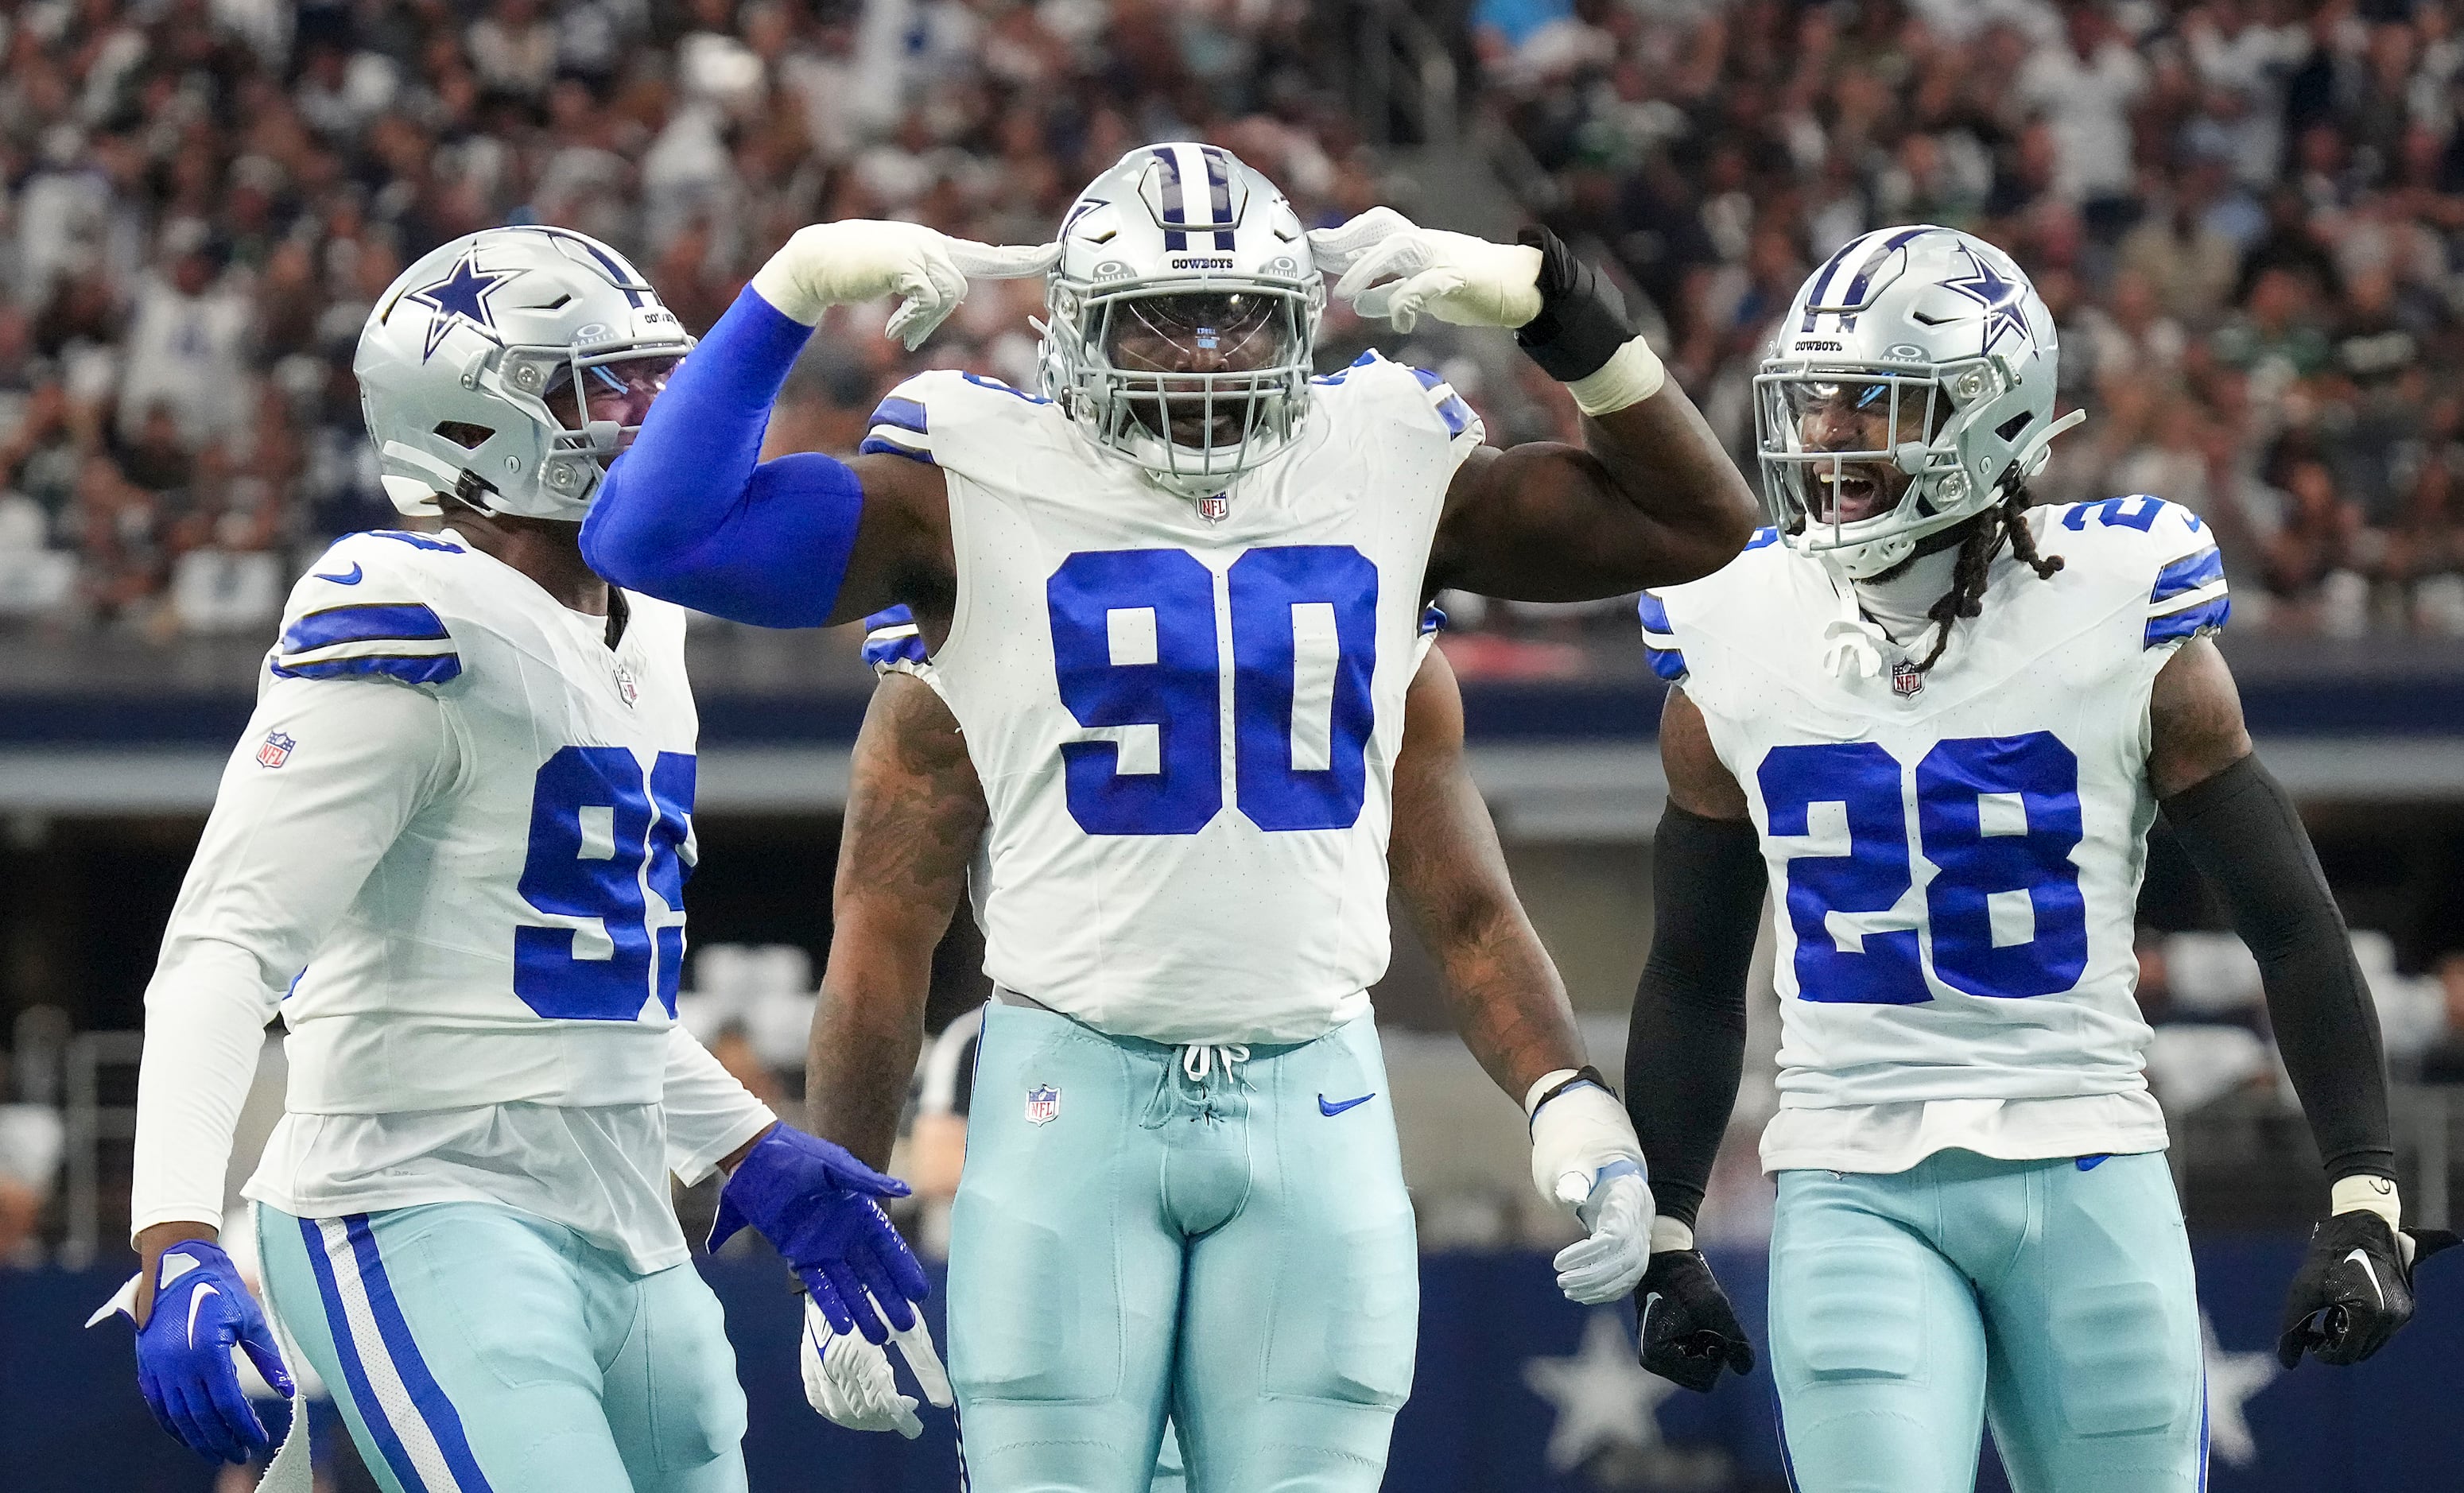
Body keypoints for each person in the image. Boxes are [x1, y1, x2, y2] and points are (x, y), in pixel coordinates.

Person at [580, 142, 1760, 1490]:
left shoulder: (1383, 463)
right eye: (1158, 315)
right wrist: (790, 290)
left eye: (1237, 314)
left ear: (1297, 321)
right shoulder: (966, 485)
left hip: (1312, 1083)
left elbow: (1700, 519)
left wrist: (1549, 300)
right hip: (1066, 1092)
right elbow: (650, 537)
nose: (1200, 352)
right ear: (1072, 327)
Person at [95, 226, 936, 1492]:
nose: (659, 413)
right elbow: (224, 946)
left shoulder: (649, 620)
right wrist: (172, 1230)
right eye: (609, 385)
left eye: (661, 376)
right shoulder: (405, 607)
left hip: (618, 1212)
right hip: (412, 1195)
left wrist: (747, 1144)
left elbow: (578, 986)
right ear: (472, 428)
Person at [1618, 224, 2456, 1491]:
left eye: (1870, 404)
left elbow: (2291, 923)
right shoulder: (1730, 626)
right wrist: (1668, 1223)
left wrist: (2362, 1189)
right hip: (1852, 1178)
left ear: (1984, 414)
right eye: (1816, 404)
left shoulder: (2116, 601)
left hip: (2083, 1161)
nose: (1828, 440)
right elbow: (1689, 969)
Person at [796, 600, 1602, 1483]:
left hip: (1307, 1081)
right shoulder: (986, 569)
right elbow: (881, 928)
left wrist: (1568, 1096)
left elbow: (1473, 915)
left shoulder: (1374, 555)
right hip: (1074, 1085)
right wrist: (832, 1233)